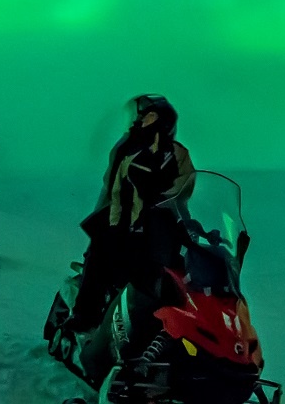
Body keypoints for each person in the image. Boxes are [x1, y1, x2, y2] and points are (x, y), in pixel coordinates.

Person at [63, 94, 194, 330]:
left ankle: (176, 329)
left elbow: (184, 188)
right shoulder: (128, 147)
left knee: (182, 274)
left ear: (163, 120)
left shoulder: (177, 153)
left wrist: (167, 204)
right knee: (99, 258)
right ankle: (85, 316)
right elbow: (111, 185)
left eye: (147, 115)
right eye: (140, 115)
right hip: (123, 223)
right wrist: (111, 222)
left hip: (160, 225)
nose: (140, 120)